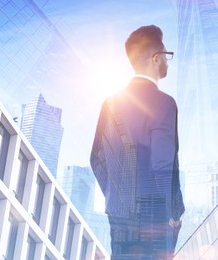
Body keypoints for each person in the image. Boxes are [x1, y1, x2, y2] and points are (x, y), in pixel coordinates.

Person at [90, 25, 185, 260]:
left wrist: (118, 199)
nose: (167, 61)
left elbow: (96, 159)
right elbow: (162, 163)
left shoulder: (109, 103)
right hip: (154, 220)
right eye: (166, 55)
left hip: (120, 219)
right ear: (155, 58)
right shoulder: (164, 103)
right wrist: (171, 214)